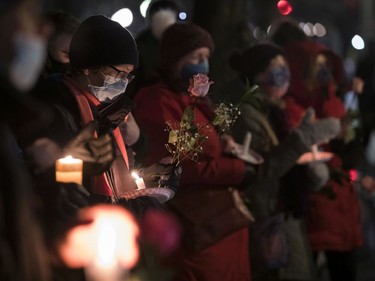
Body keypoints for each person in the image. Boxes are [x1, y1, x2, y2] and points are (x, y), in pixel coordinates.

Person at [229, 42, 340, 281]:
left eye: (284, 66)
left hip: (284, 212)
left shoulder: (276, 111)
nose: (283, 72)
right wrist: (301, 139)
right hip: (268, 218)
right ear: (256, 74)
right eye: (275, 67)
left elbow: (283, 159)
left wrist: (309, 166)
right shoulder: (247, 116)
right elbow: (260, 171)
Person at [270, 20, 363, 281]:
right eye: (316, 67)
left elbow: (348, 149)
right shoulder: (291, 109)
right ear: (300, 70)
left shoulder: (333, 100)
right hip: (316, 209)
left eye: (325, 67)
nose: (323, 74)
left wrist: (350, 137)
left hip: (341, 206)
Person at [127, 0, 179, 98]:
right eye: (161, 20)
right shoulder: (138, 47)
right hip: (145, 101)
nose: (164, 25)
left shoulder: (178, 46)